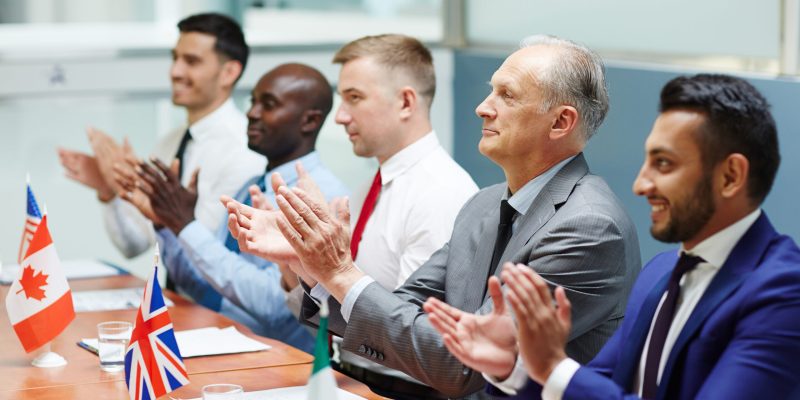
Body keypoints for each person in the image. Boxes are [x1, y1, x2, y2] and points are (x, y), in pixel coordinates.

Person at [242, 35, 641, 398]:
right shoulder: (484, 204)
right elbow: (397, 314)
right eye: (491, 92)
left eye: (507, 95)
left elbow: (466, 368)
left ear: (560, 122)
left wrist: (339, 271)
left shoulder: (589, 228)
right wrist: (311, 265)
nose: (483, 108)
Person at [442, 74, 800, 399]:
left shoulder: (784, 292)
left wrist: (553, 367)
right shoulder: (660, 273)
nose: (640, 185)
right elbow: (594, 386)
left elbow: (571, 382)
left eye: (664, 164)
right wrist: (514, 368)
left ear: (730, 176)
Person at [226, 34, 479, 398]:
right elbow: (341, 318)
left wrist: (326, 271)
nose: (341, 117)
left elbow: (415, 338)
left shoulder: (441, 194)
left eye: (355, 98)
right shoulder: (367, 189)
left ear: (406, 102)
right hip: (348, 377)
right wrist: (297, 265)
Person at [117, 63, 349, 353]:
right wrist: (168, 224)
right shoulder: (253, 185)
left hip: (284, 364)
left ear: (309, 122)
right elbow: (206, 283)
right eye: (253, 101)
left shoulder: (318, 194)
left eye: (268, 104)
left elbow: (275, 307)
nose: (251, 113)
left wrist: (186, 226)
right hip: (229, 343)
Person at [57, 13, 264, 260]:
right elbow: (135, 245)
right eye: (175, 58)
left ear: (229, 72)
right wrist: (110, 190)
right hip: (175, 297)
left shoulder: (244, 151)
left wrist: (153, 205)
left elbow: (206, 258)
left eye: (192, 61)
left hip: (212, 299)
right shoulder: (171, 142)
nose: (175, 71)